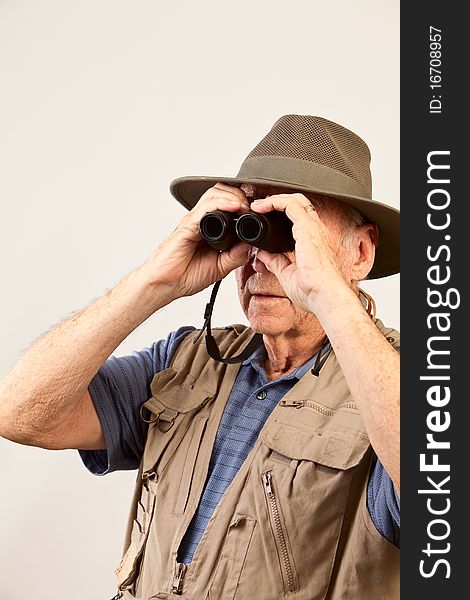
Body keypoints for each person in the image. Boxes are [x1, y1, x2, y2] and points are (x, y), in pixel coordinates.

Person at [0, 114, 400, 599]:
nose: (260, 257)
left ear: (359, 252)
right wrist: (154, 282)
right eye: (250, 227)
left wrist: (325, 292)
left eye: (292, 231)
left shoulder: (399, 383)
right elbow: (21, 413)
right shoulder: (190, 360)